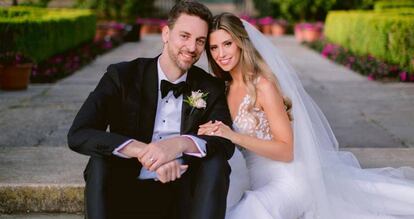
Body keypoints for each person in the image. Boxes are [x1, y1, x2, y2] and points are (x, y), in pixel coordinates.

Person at [199, 12, 414, 219]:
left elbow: (286, 150)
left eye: (227, 44)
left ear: (240, 43)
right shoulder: (223, 90)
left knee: (250, 211)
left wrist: (234, 136)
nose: (221, 54)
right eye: (214, 47)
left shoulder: (262, 86)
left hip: (289, 180)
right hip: (255, 180)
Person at [67, 2, 234, 219]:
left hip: (183, 192)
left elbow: (225, 143)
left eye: (200, 41)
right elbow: (79, 133)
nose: (192, 48)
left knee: (217, 163)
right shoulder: (122, 76)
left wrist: (179, 145)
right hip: (128, 187)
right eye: (184, 36)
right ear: (166, 33)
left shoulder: (210, 87)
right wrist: (143, 152)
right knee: (98, 162)